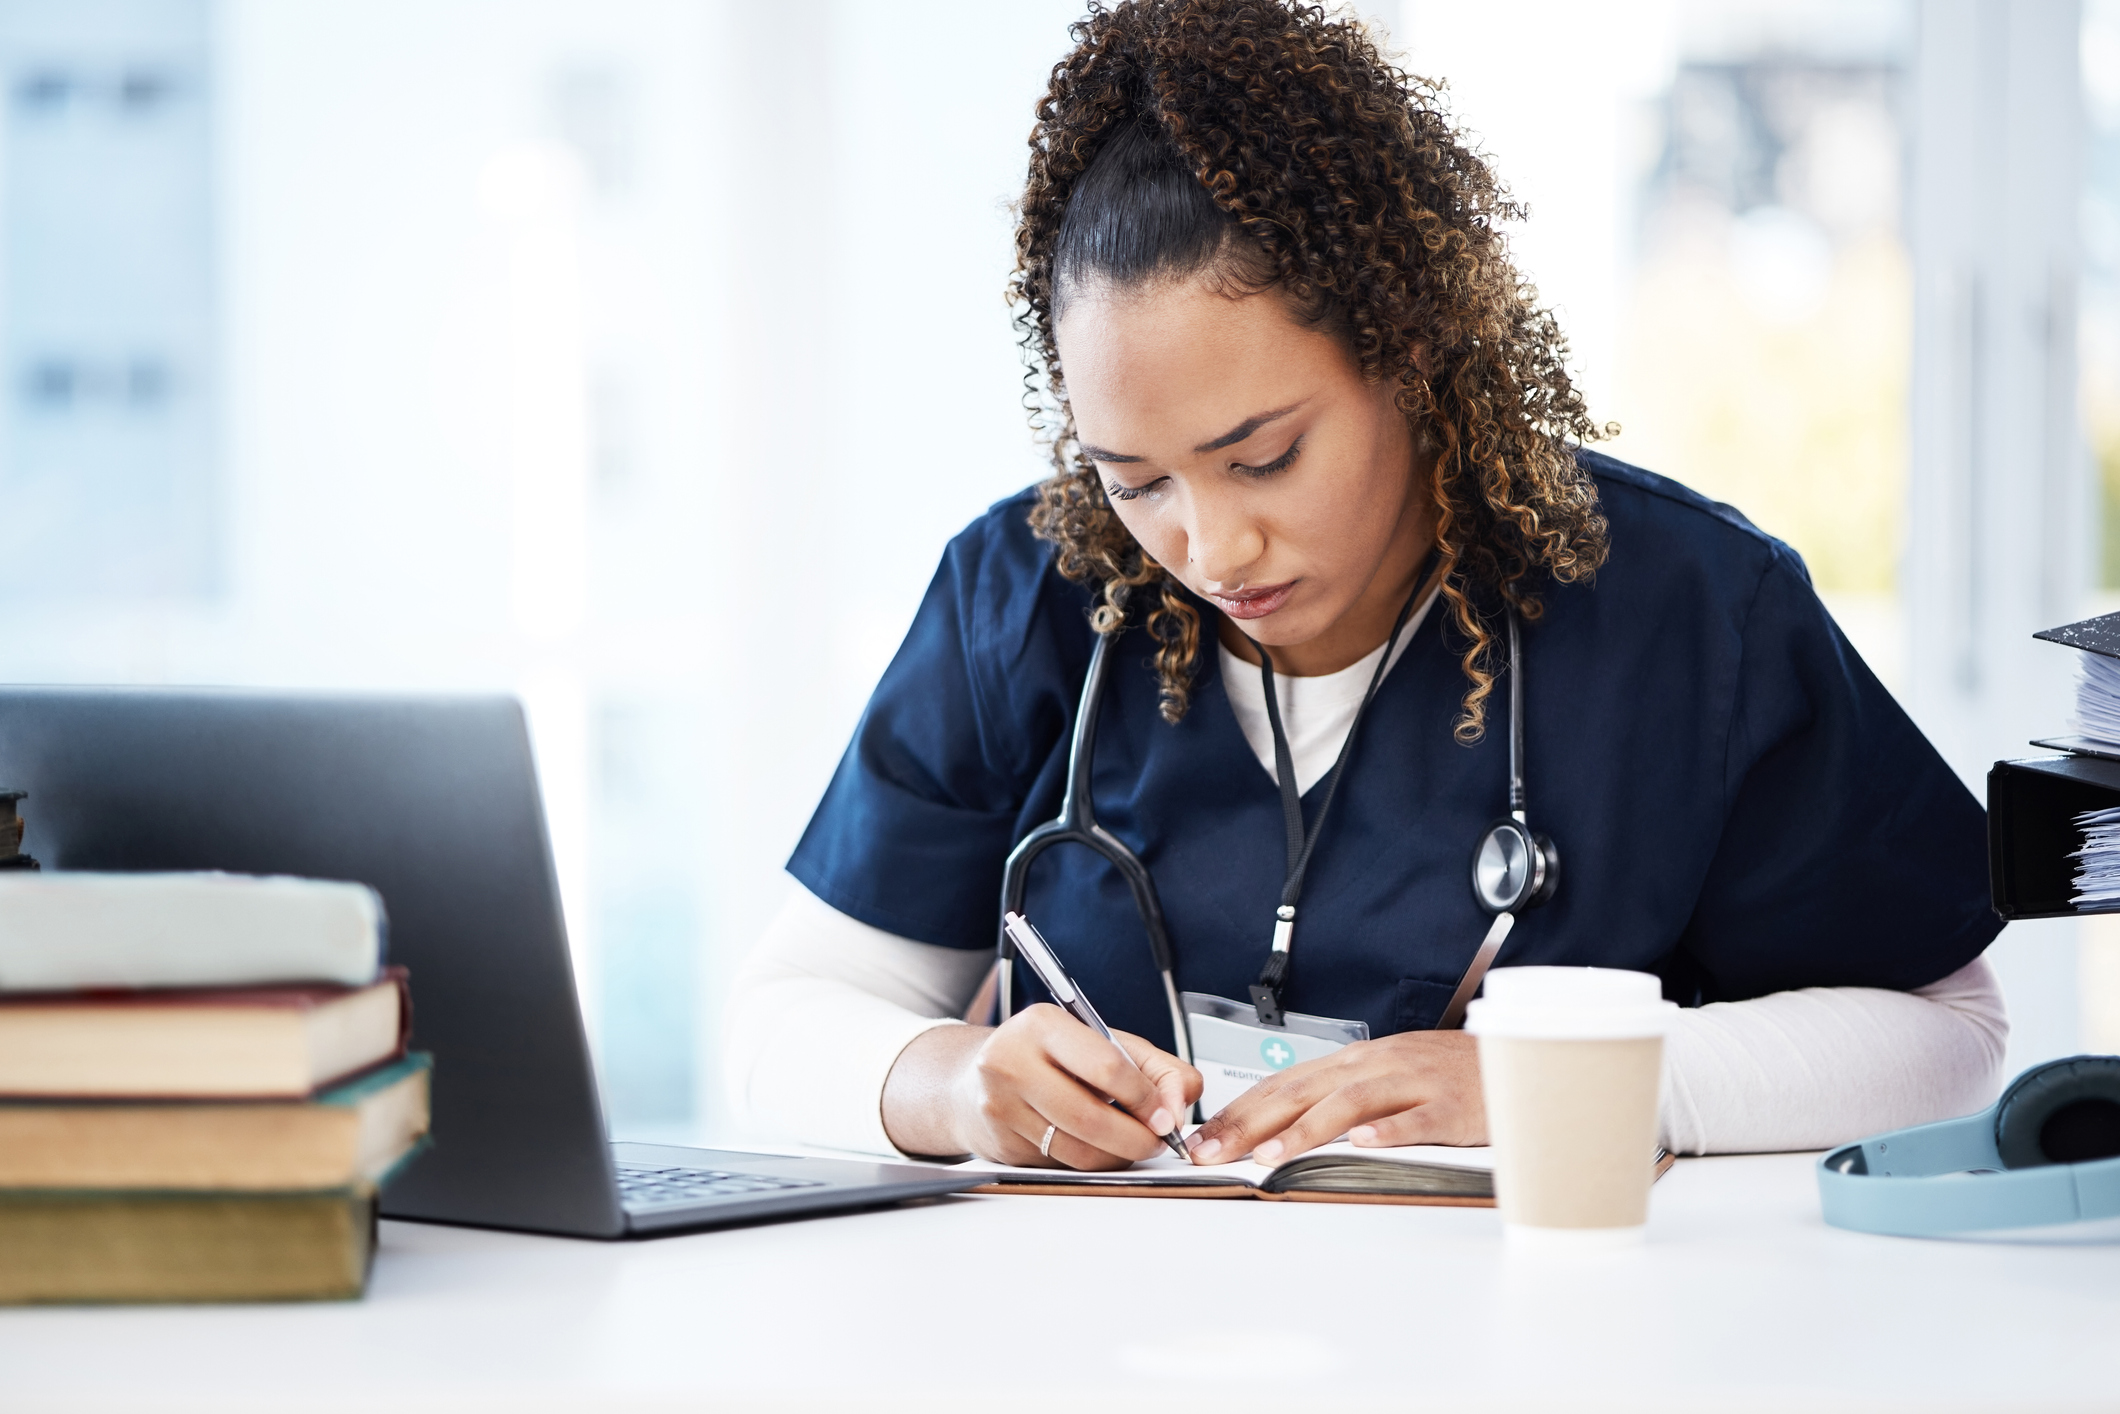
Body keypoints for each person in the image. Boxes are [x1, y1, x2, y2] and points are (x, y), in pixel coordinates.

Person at [724, 0, 2007, 1170]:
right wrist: (942, 1084)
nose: (1208, 548)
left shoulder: (1683, 614)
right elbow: (779, 1020)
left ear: (1405, 350)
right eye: (1135, 478)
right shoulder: (1030, 593)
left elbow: (1946, 1033)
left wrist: (1564, 1082)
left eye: (1262, 457)